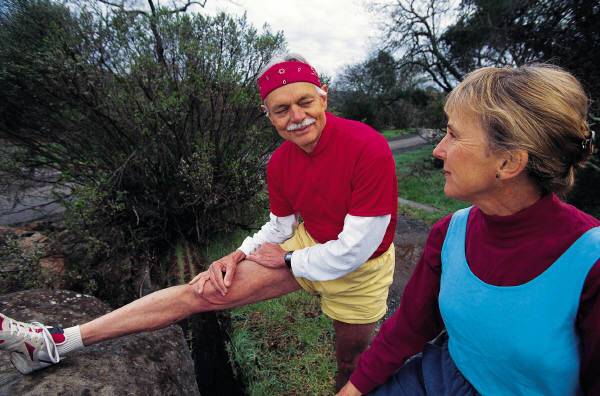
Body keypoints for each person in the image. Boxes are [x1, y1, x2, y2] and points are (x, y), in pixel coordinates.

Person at [0, 53, 398, 390]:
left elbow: (355, 249)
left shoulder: (367, 147)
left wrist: (290, 260)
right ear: (269, 116)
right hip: (306, 247)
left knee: (351, 363)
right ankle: (53, 343)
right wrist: (238, 254)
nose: (297, 117)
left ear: (323, 96)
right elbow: (280, 226)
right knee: (202, 290)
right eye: (281, 109)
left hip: (360, 268)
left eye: (305, 101)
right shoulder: (280, 162)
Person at [337, 64, 600, 396]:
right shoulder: (450, 232)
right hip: (433, 380)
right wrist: (355, 388)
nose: (438, 150)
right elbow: (408, 326)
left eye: (454, 134)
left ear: (508, 162)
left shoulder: (591, 263)